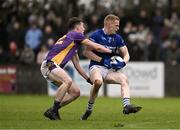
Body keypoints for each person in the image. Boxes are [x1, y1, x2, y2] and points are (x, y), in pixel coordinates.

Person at [40, 17, 113, 120]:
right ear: (77, 27)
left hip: (51, 67)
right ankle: (54, 111)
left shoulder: (71, 42)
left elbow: (77, 65)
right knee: (67, 81)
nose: (84, 29)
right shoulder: (75, 35)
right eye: (82, 26)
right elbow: (95, 46)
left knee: (75, 92)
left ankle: (52, 110)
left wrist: (88, 79)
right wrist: (111, 52)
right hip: (50, 64)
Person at [81, 14, 142, 120]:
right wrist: (102, 60)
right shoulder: (96, 35)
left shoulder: (117, 38)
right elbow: (86, 52)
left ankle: (126, 106)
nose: (118, 28)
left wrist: (123, 62)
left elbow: (127, 54)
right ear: (109, 24)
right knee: (98, 82)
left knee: (124, 79)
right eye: (116, 25)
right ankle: (89, 109)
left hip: (109, 70)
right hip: (96, 67)